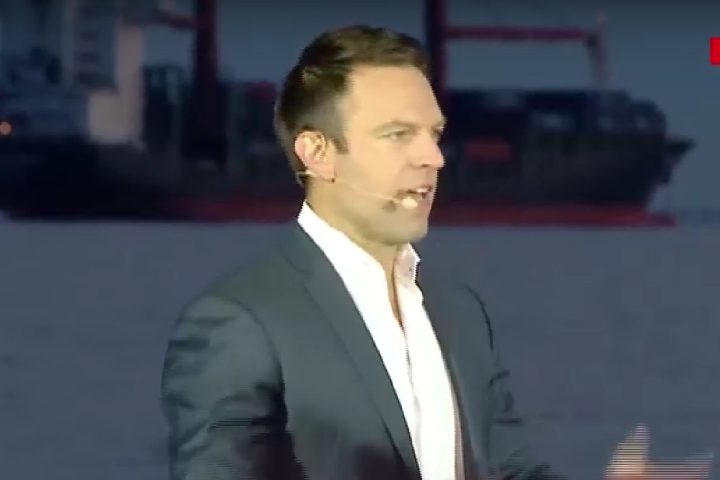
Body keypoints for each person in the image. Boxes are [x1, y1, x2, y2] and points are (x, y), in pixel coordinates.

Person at [160, 25, 712, 480]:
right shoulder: (238, 322)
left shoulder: (459, 313)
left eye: (434, 134)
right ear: (317, 153)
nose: (434, 158)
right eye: (398, 135)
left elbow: (509, 472)